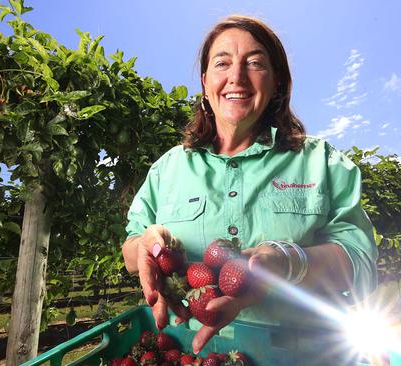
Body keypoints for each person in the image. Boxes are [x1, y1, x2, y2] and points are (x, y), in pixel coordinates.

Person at [121, 15, 377, 356]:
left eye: (255, 63)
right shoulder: (168, 168)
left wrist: (287, 262)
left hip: (302, 354)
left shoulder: (321, 161)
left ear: (277, 84)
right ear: (205, 83)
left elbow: (359, 260)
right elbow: (131, 249)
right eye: (222, 63)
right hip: (196, 353)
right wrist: (146, 246)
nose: (236, 77)